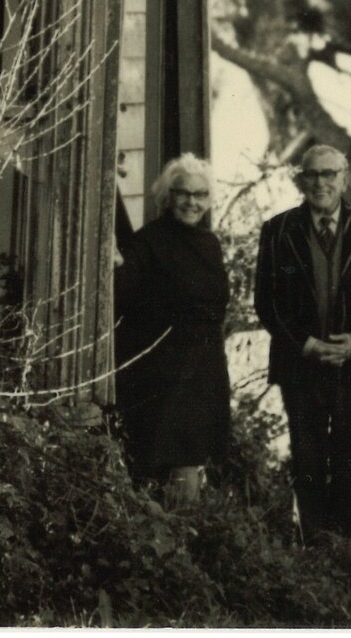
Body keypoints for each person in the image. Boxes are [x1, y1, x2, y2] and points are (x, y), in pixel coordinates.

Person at [254, 144, 351, 544]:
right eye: (312, 175)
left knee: (350, 455)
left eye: (329, 174)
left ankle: (349, 541)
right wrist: (306, 345)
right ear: (301, 179)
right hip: (301, 363)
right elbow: (266, 303)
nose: (321, 183)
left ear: (345, 177)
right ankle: (314, 541)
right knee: (308, 454)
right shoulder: (278, 230)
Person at [114, 154, 230, 500]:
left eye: (199, 195)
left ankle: (185, 543)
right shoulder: (149, 241)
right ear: (167, 196)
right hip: (163, 373)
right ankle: (170, 544)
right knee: (167, 462)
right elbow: (126, 279)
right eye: (183, 193)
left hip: (204, 370)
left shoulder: (210, 243)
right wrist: (117, 263)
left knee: (192, 460)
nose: (191, 202)